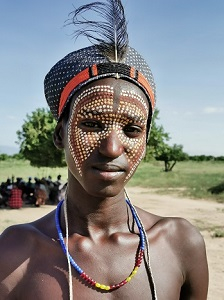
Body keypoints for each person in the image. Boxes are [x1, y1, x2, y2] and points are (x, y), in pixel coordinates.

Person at [0, 0, 208, 299]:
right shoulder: (14, 252)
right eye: (93, 125)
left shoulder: (180, 243)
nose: (112, 148)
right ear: (60, 134)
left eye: (132, 130)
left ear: (146, 141)